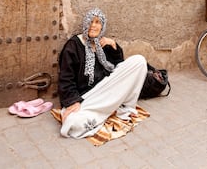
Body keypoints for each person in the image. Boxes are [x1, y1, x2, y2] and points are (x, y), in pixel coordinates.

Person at [58, 7, 147, 139]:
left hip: (107, 87)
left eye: (98, 22)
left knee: (139, 61)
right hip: (88, 97)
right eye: (90, 22)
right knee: (72, 123)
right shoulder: (73, 46)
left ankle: (124, 107)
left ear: (102, 26)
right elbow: (66, 79)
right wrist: (73, 101)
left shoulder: (102, 43)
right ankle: (110, 108)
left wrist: (113, 45)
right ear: (85, 24)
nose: (93, 26)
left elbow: (119, 66)